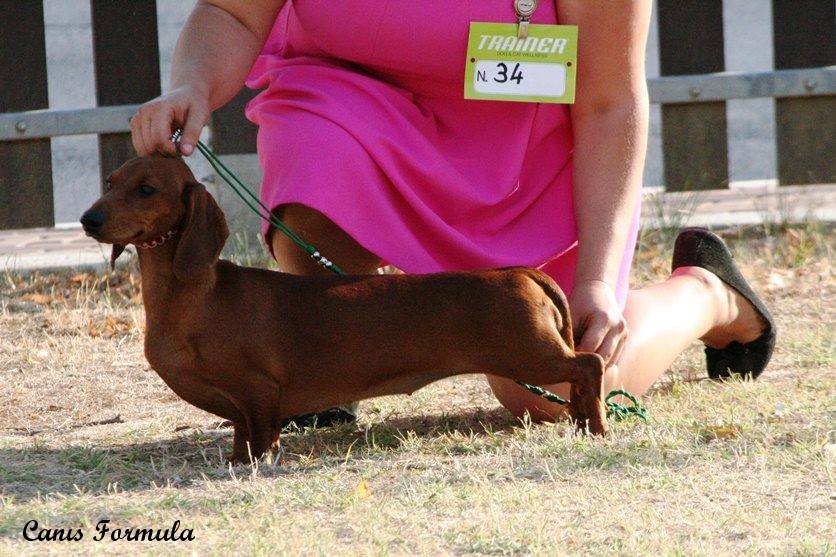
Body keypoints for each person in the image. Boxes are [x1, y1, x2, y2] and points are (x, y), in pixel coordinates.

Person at [130, 0, 774, 426]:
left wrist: (597, 282)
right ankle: (328, 364)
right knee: (317, 160)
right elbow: (232, 12)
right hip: (352, 108)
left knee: (547, 392)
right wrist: (191, 82)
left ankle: (708, 293)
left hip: (522, 151)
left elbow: (610, 103)